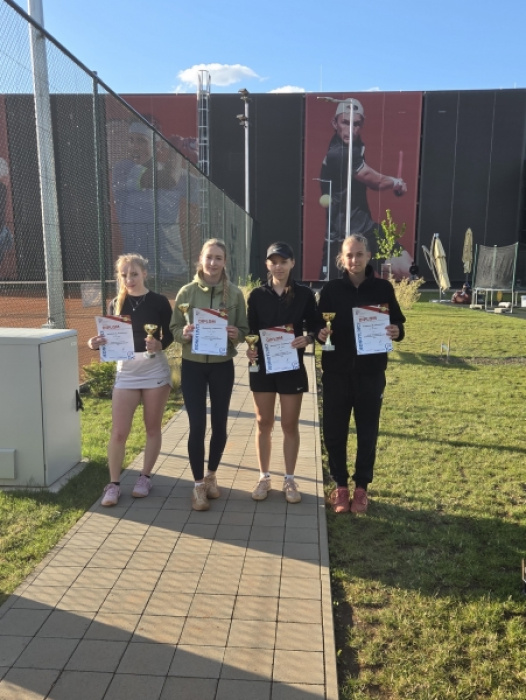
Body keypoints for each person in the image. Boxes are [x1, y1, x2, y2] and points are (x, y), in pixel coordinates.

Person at [317, 234, 405, 514]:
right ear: (341, 259)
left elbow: (397, 323)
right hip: (336, 373)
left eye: (359, 254)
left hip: (371, 373)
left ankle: (361, 488)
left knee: (367, 432)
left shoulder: (383, 288)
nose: (354, 259)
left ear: (368, 256)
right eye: (349, 255)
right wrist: (320, 334)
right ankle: (341, 486)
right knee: (334, 432)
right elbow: (318, 326)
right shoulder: (331, 290)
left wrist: (396, 330)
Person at [87, 253, 174, 507]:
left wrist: (159, 344)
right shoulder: (116, 303)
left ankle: (145, 478)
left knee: (152, 428)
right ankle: (113, 484)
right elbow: (108, 337)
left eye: (134, 274)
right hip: (126, 372)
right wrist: (95, 343)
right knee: (119, 432)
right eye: (124, 275)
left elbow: (169, 335)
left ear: (145, 273)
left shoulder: (159, 301)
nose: (129, 279)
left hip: (154, 371)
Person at [170, 239, 249, 511]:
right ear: (200, 259)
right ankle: (197, 485)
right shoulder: (187, 292)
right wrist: (184, 333)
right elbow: (174, 328)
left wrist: (236, 334)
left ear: (225, 262)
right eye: (209, 257)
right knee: (197, 425)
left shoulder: (234, 294)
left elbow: (244, 329)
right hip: (192, 366)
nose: (213, 263)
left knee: (220, 424)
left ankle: (212, 475)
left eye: (218, 258)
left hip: (222, 366)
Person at [246, 242, 317, 504]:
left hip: (291, 366)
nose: (278, 266)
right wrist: (249, 349)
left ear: (292, 263)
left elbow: (316, 326)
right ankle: (264, 477)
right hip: (263, 367)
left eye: (283, 261)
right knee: (263, 423)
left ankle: (289, 478)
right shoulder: (256, 295)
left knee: (289, 425)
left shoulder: (305, 294)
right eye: (273, 262)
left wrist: (308, 338)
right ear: (267, 264)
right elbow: (250, 330)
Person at [319, 98, 410, 279]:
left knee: (407, 270)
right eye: (345, 122)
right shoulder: (339, 153)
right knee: (333, 289)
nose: (351, 129)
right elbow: (374, 181)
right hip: (342, 238)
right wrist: (395, 182)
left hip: (366, 229)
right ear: (334, 123)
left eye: (356, 124)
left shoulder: (355, 143)